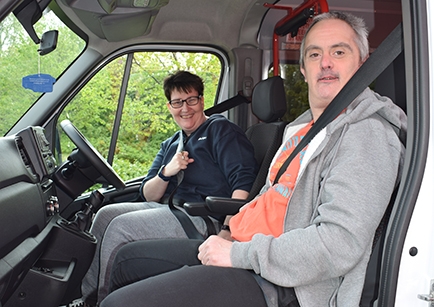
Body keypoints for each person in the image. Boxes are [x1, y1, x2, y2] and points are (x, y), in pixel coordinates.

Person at [99, 11, 407, 307]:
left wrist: (237, 256)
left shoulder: (366, 134)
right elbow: (265, 199)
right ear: (302, 68)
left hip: (289, 286)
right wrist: (228, 234)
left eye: (339, 52)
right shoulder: (302, 131)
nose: (325, 63)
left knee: (117, 303)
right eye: (314, 54)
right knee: (126, 261)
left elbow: (338, 244)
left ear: (363, 63)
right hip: (250, 250)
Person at [80, 70, 258, 306]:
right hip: (171, 208)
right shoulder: (172, 143)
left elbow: (242, 182)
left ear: (202, 101)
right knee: (104, 216)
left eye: (191, 100)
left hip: (201, 216)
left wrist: (228, 230)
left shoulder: (221, 130)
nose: (185, 108)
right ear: (169, 106)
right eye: (177, 102)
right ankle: (87, 298)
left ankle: (101, 302)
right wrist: (167, 171)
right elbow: (148, 194)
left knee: (120, 228)